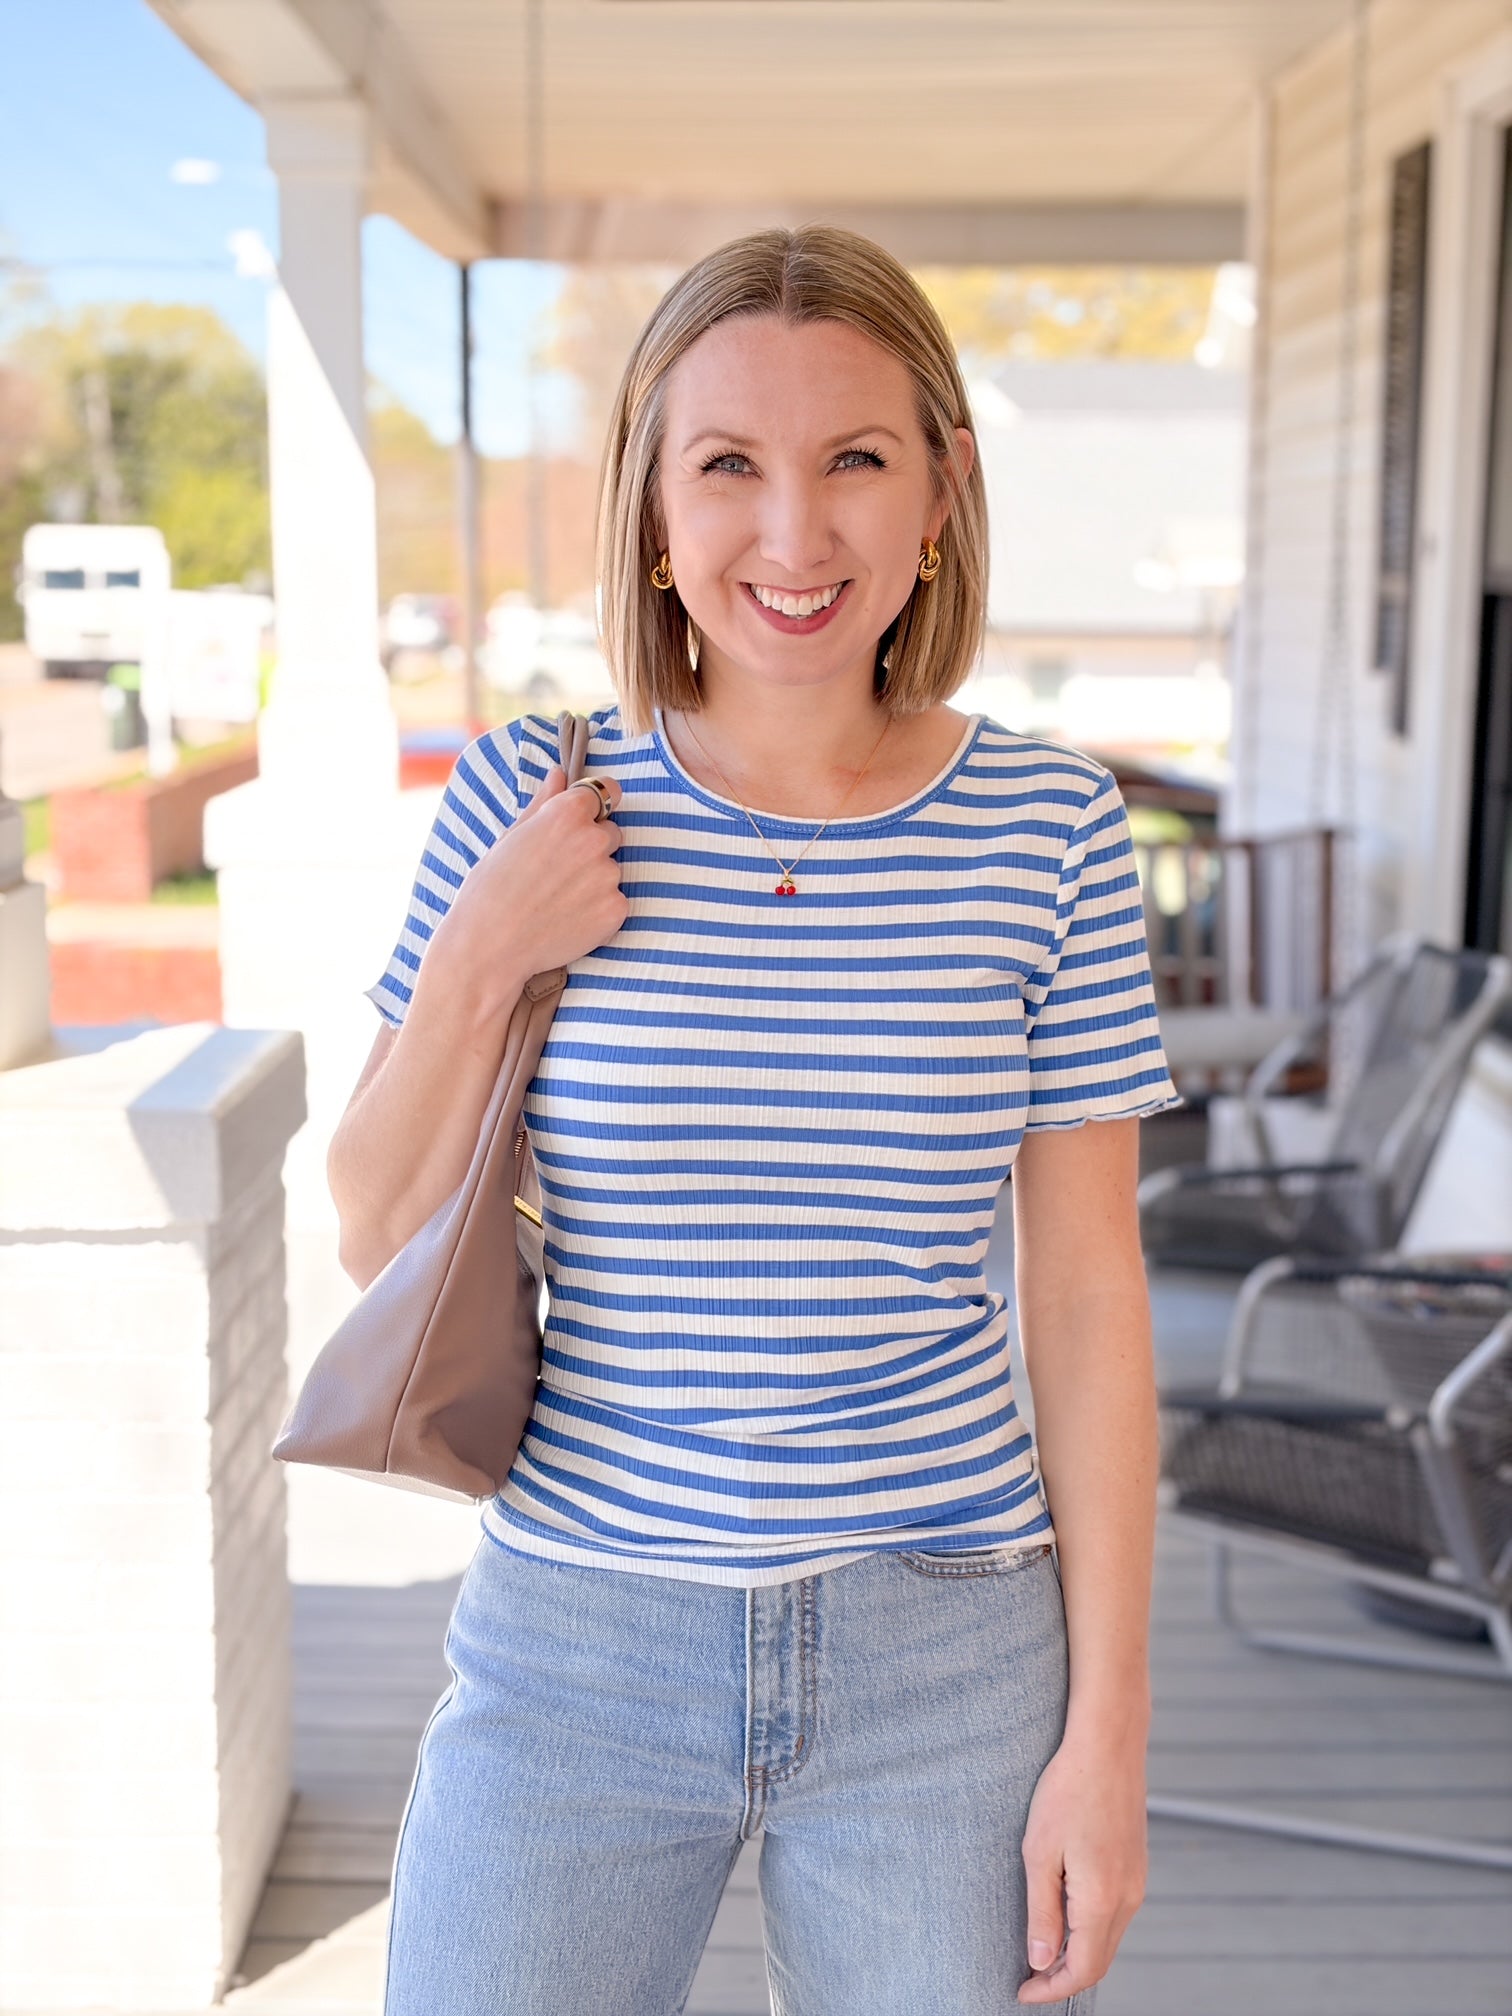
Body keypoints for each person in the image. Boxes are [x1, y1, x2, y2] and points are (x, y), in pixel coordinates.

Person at [332, 224, 1180, 2016]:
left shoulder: (1051, 831)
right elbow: (368, 1218)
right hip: (576, 1643)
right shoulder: (532, 792)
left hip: (946, 1661)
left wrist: (1108, 1737)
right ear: (651, 505)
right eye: (728, 466)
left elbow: (1094, 1299)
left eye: (856, 461)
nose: (794, 537)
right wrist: (490, 948)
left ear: (942, 490)